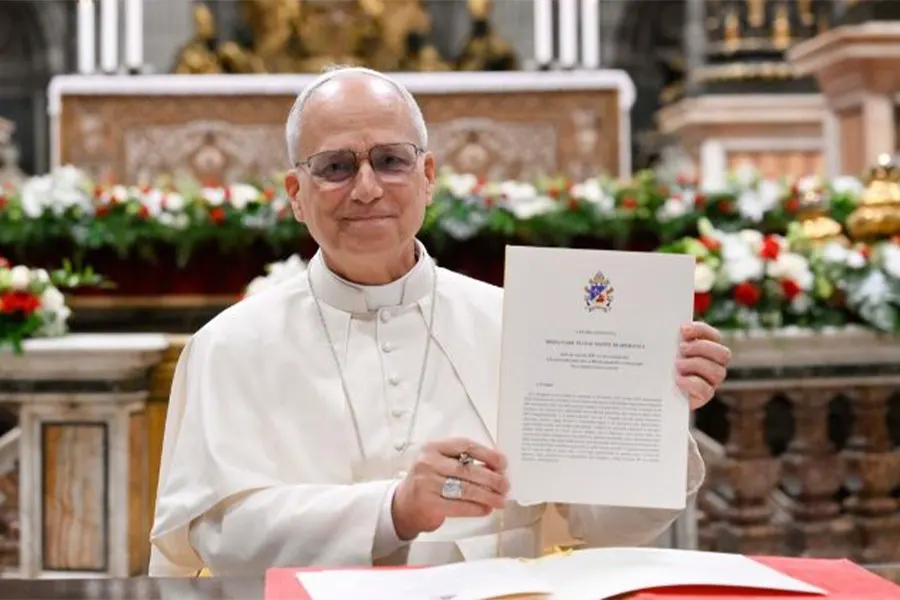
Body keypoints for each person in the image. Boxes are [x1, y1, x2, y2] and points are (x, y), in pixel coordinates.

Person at [148, 66, 731, 577]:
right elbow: (222, 536)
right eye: (335, 167)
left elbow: (600, 526)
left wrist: (656, 415)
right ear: (297, 194)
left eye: (390, 160)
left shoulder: (518, 324)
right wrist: (394, 510)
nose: (368, 188)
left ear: (427, 176)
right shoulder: (229, 345)